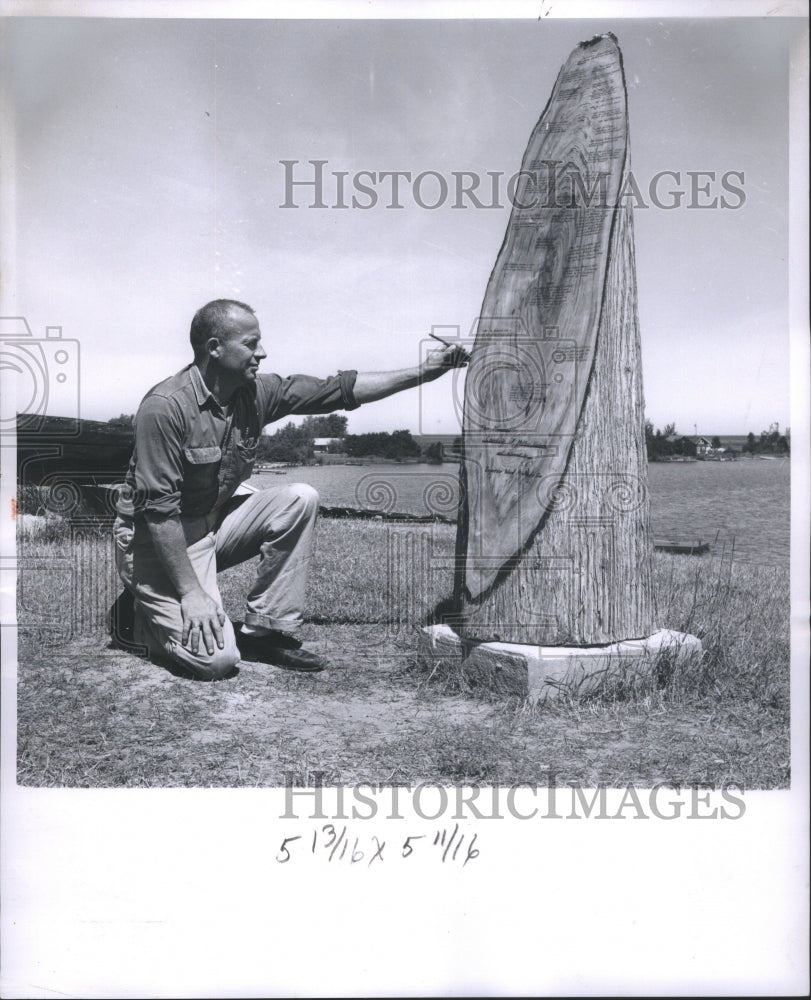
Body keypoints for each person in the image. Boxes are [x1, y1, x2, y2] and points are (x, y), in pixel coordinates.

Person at [110, 299, 468, 680]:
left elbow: (338, 390)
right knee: (217, 662)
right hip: (155, 541)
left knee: (299, 498)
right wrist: (191, 595)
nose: (261, 353)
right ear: (215, 348)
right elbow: (160, 516)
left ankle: (263, 632)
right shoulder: (165, 407)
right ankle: (135, 617)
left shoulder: (255, 392)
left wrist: (427, 371)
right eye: (251, 344)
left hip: (210, 526)